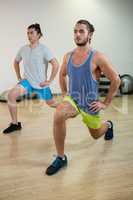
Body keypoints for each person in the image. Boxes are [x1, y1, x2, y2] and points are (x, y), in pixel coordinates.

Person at [45, 19, 121, 176]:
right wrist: (66, 94)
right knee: (58, 114)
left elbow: (116, 79)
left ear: (90, 34)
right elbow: (62, 75)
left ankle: (108, 125)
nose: (77, 34)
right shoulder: (68, 56)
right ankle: (61, 157)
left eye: (81, 31)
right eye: (75, 31)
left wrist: (105, 103)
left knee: (95, 134)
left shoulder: (97, 57)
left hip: (90, 104)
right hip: (73, 99)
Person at [3, 23, 59, 134]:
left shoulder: (44, 49)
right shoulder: (23, 49)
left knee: (52, 104)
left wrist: (49, 80)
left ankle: (68, 109)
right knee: (11, 95)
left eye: (32, 33)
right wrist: (19, 76)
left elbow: (56, 64)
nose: (29, 35)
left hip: (40, 84)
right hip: (27, 81)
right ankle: (15, 124)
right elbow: (16, 61)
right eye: (28, 33)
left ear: (39, 35)